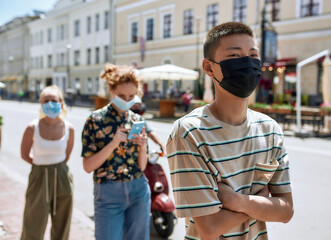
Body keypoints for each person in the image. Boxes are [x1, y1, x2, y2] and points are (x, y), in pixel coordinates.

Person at [166, 22, 293, 240]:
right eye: (234, 56)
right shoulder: (189, 133)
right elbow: (211, 228)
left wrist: (238, 201)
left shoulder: (270, 129)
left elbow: (286, 210)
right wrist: (259, 200)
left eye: (253, 55)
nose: (247, 62)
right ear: (208, 68)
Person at [81, 64, 150, 240]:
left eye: (131, 96)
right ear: (111, 91)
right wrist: (113, 143)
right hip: (108, 192)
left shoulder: (137, 119)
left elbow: (142, 166)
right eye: (121, 96)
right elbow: (88, 166)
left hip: (138, 189)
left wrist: (143, 146)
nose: (127, 100)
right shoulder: (95, 120)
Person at [20, 85, 74, 240]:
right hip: (39, 176)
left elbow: (66, 156)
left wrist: (55, 167)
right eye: (46, 100)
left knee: (62, 224)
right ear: (41, 104)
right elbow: (24, 155)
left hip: (62, 176)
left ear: (61, 103)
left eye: (54, 100)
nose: (50, 103)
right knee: (33, 222)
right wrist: (40, 165)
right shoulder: (32, 127)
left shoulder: (69, 128)